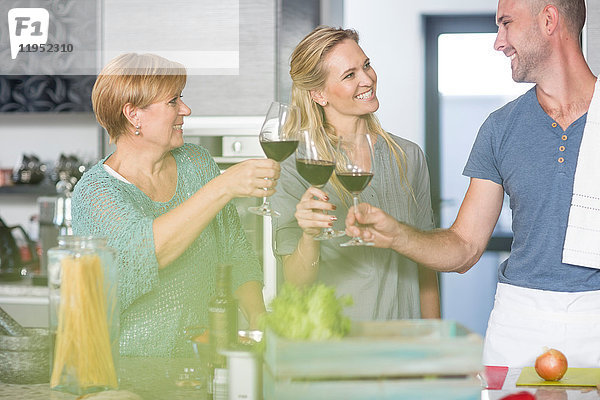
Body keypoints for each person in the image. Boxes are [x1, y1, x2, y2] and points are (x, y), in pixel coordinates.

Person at [346, 0, 600, 367]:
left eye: (506, 24)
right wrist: (396, 235)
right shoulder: (499, 128)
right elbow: (465, 247)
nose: (498, 42)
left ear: (548, 19)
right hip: (519, 322)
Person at [71, 53, 278, 357]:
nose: (186, 109)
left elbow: (236, 253)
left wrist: (262, 327)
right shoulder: (94, 193)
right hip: (132, 373)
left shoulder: (197, 163)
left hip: (208, 363)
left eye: (182, 98)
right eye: (172, 102)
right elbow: (146, 252)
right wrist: (223, 187)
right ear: (133, 115)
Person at [269, 26, 440, 321]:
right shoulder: (295, 165)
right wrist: (310, 236)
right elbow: (294, 283)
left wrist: (436, 343)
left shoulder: (409, 156)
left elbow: (427, 260)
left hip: (404, 348)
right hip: (335, 351)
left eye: (367, 65)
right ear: (319, 94)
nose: (367, 79)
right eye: (350, 75)